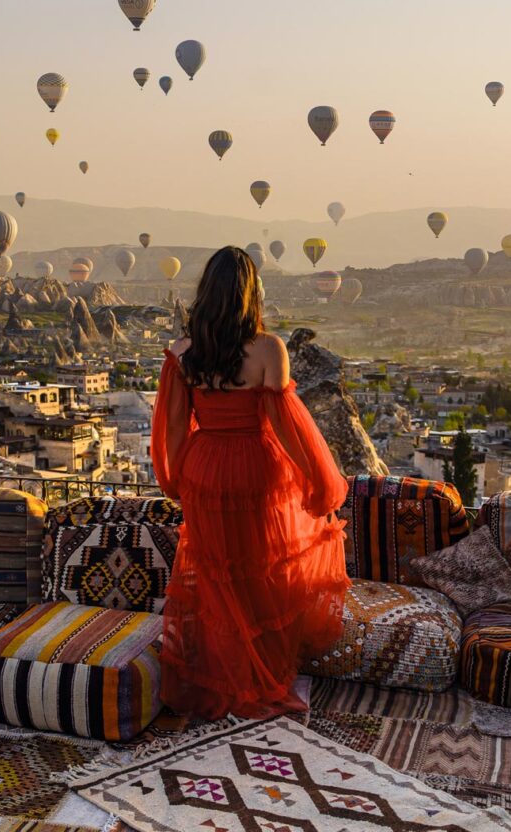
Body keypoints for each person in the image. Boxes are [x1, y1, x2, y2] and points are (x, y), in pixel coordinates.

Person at [152, 246, 350, 720]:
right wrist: (318, 479)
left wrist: (176, 477)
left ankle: (224, 675)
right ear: (250, 294)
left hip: (204, 469)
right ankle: (260, 675)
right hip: (258, 470)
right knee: (262, 573)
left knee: (217, 578)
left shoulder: (182, 354)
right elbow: (286, 426)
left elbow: (174, 427)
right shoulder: (267, 349)